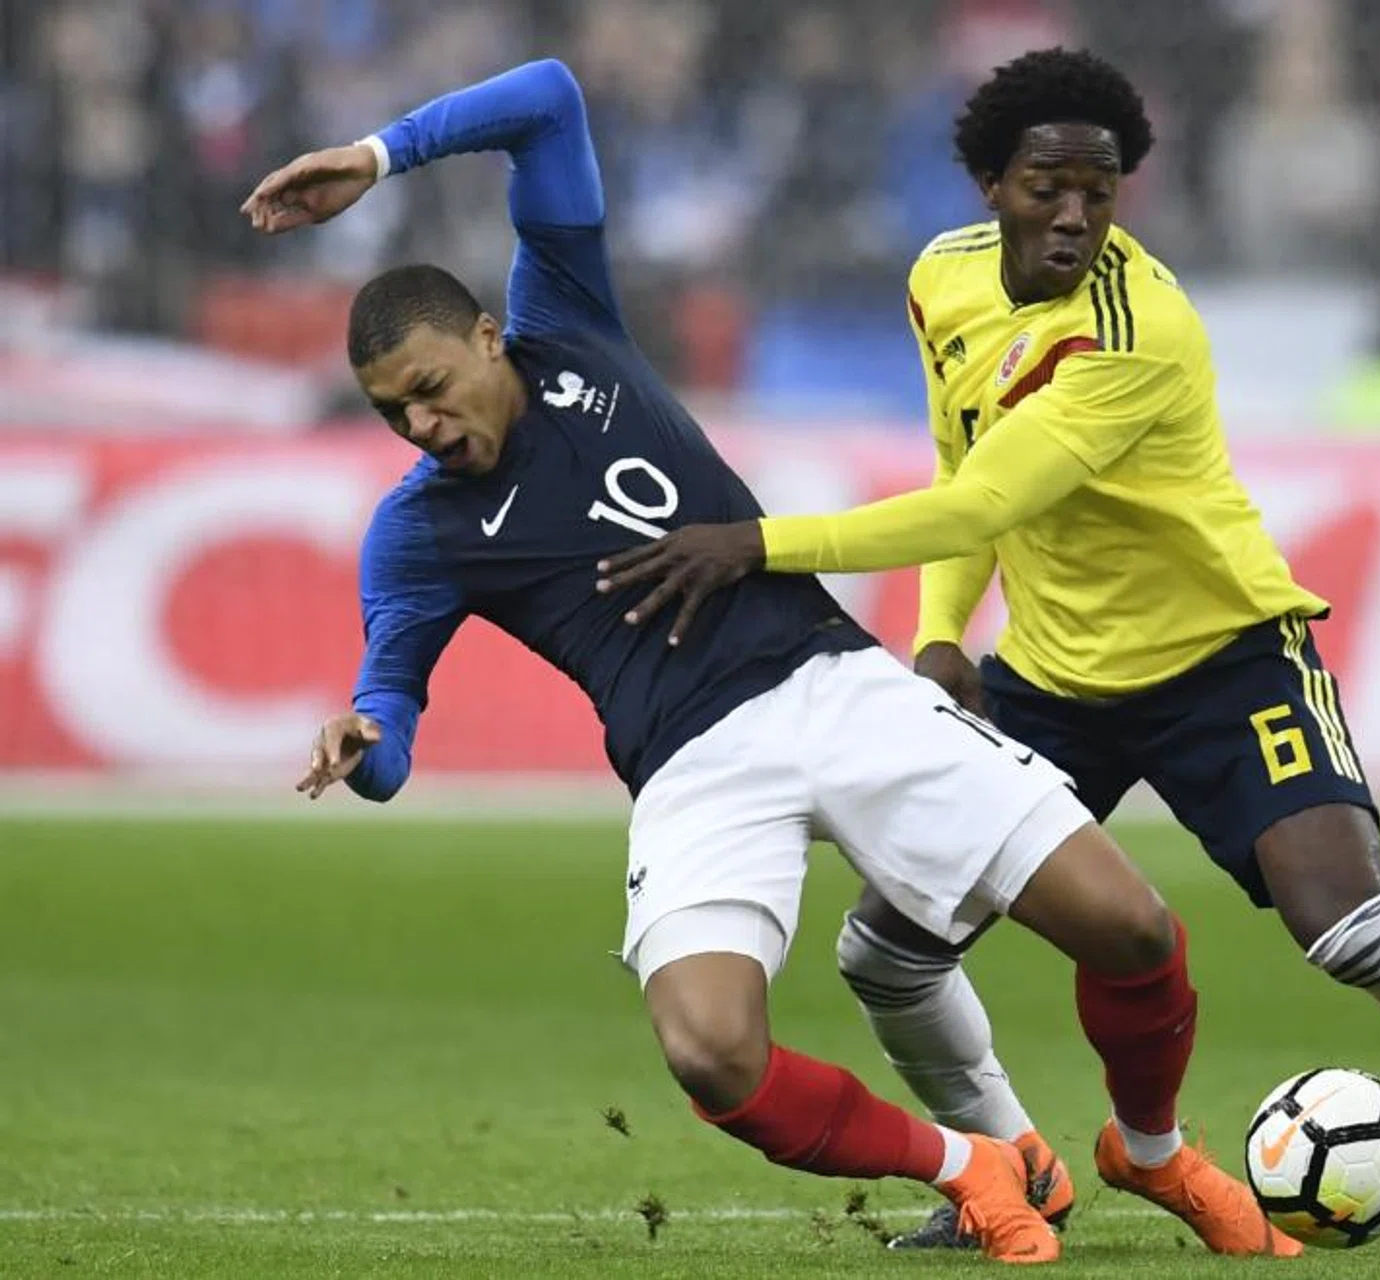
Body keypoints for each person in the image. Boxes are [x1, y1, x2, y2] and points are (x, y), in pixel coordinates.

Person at [245, 58, 1299, 1264]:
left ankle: (1152, 1150)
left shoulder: (569, 322)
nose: (423, 426)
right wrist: (369, 741)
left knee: (1134, 929)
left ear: (489, 335)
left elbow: (546, 98)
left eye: (431, 389)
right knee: (708, 1050)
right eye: (393, 414)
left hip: (832, 682)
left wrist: (378, 158)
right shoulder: (415, 531)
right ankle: (977, 1166)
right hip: (693, 765)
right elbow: (394, 700)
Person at [596, 47, 1380, 1252]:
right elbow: (966, 469)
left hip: (1224, 656)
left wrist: (760, 544)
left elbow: (973, 507)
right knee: (888, 953)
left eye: (1097, 193)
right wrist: (945, 631)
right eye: (1044, 186)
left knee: (1346, 924)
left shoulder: (1137, 327)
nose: (1072, 215)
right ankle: (1012, 1171)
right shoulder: (942, 279)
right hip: (1055, 674)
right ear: (989, 182)